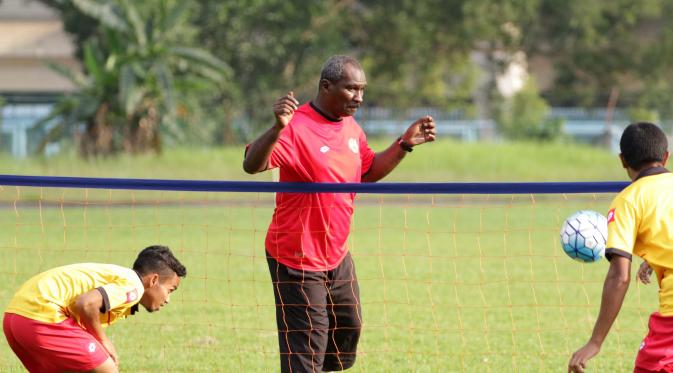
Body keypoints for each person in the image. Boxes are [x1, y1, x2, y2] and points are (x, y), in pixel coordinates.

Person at [243, 55, 436, 372]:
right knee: (307, 349)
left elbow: (368, 170)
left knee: (348, 329)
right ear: (326, 86)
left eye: (362, 90)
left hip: (336, 255)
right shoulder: (297, 128)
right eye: (351, 89)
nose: (359, 97)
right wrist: (277, 128)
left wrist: (404, 144)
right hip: (297, 258)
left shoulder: (351, 128)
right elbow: (251, 164)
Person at [568, 122, 673, 373]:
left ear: (623, 160)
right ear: (666, 156)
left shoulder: (628, 200)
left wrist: (595, 342)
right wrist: (656, 258)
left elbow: (619, 276)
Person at [3, 245, 187, 373]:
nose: (168, 299)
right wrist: (103, 341)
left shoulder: (118, 276)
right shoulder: (134, 285)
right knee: (108, 368)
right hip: (41, 317)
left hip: (14, 318)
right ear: (153, 280)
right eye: (170, 290)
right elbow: (86, 303)